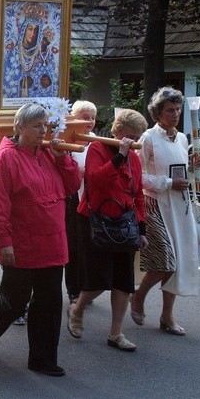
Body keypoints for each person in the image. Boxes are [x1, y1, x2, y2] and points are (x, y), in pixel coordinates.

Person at [0, 103, 81, 377]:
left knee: (49, 302)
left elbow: (72, 186)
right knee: (15, 298)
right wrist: (4, 241)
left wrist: (62, 158)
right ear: (19, 127)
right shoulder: (6, 158)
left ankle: (42, 358)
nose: (42, 131)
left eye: (45, 126)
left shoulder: (49, 152)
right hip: (22, 241)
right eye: (36, 126)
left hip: (52, 242)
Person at [67, 109, 149, 352]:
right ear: (119, 131)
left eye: (137, 137)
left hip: (123, 224)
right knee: (98, 279)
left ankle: (116, 333)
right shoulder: (98, 148)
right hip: (95, 221)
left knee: (123, 281)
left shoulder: (133, 158)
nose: (134, 142)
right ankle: (78, 307)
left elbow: (138, 194)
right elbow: (94, 180)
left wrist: (142, 229)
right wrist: (118, 157)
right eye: (132, 135)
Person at [130, 87, 200, 336]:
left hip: (180, 205)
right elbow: (138, 176)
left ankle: (167, 315)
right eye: (170, 110)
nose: (175, 114)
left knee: (179, 260)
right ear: (157, 113)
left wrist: (194, 168)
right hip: (155, 204)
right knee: (166, 261)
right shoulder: (148, 138)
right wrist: (169, 183)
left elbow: (185, 175)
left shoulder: (183, 138)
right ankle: (138, 297)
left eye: (178, 109)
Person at [64, 100, 98, 305]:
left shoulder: (95, 140)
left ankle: (87, 285)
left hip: (91, 197)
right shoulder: (68, 137)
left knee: (87, 243)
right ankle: (73, 289)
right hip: (71, 197)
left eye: (93, 118)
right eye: (86, 117)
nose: (90, 122)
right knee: (72, 246)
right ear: (74, 118)